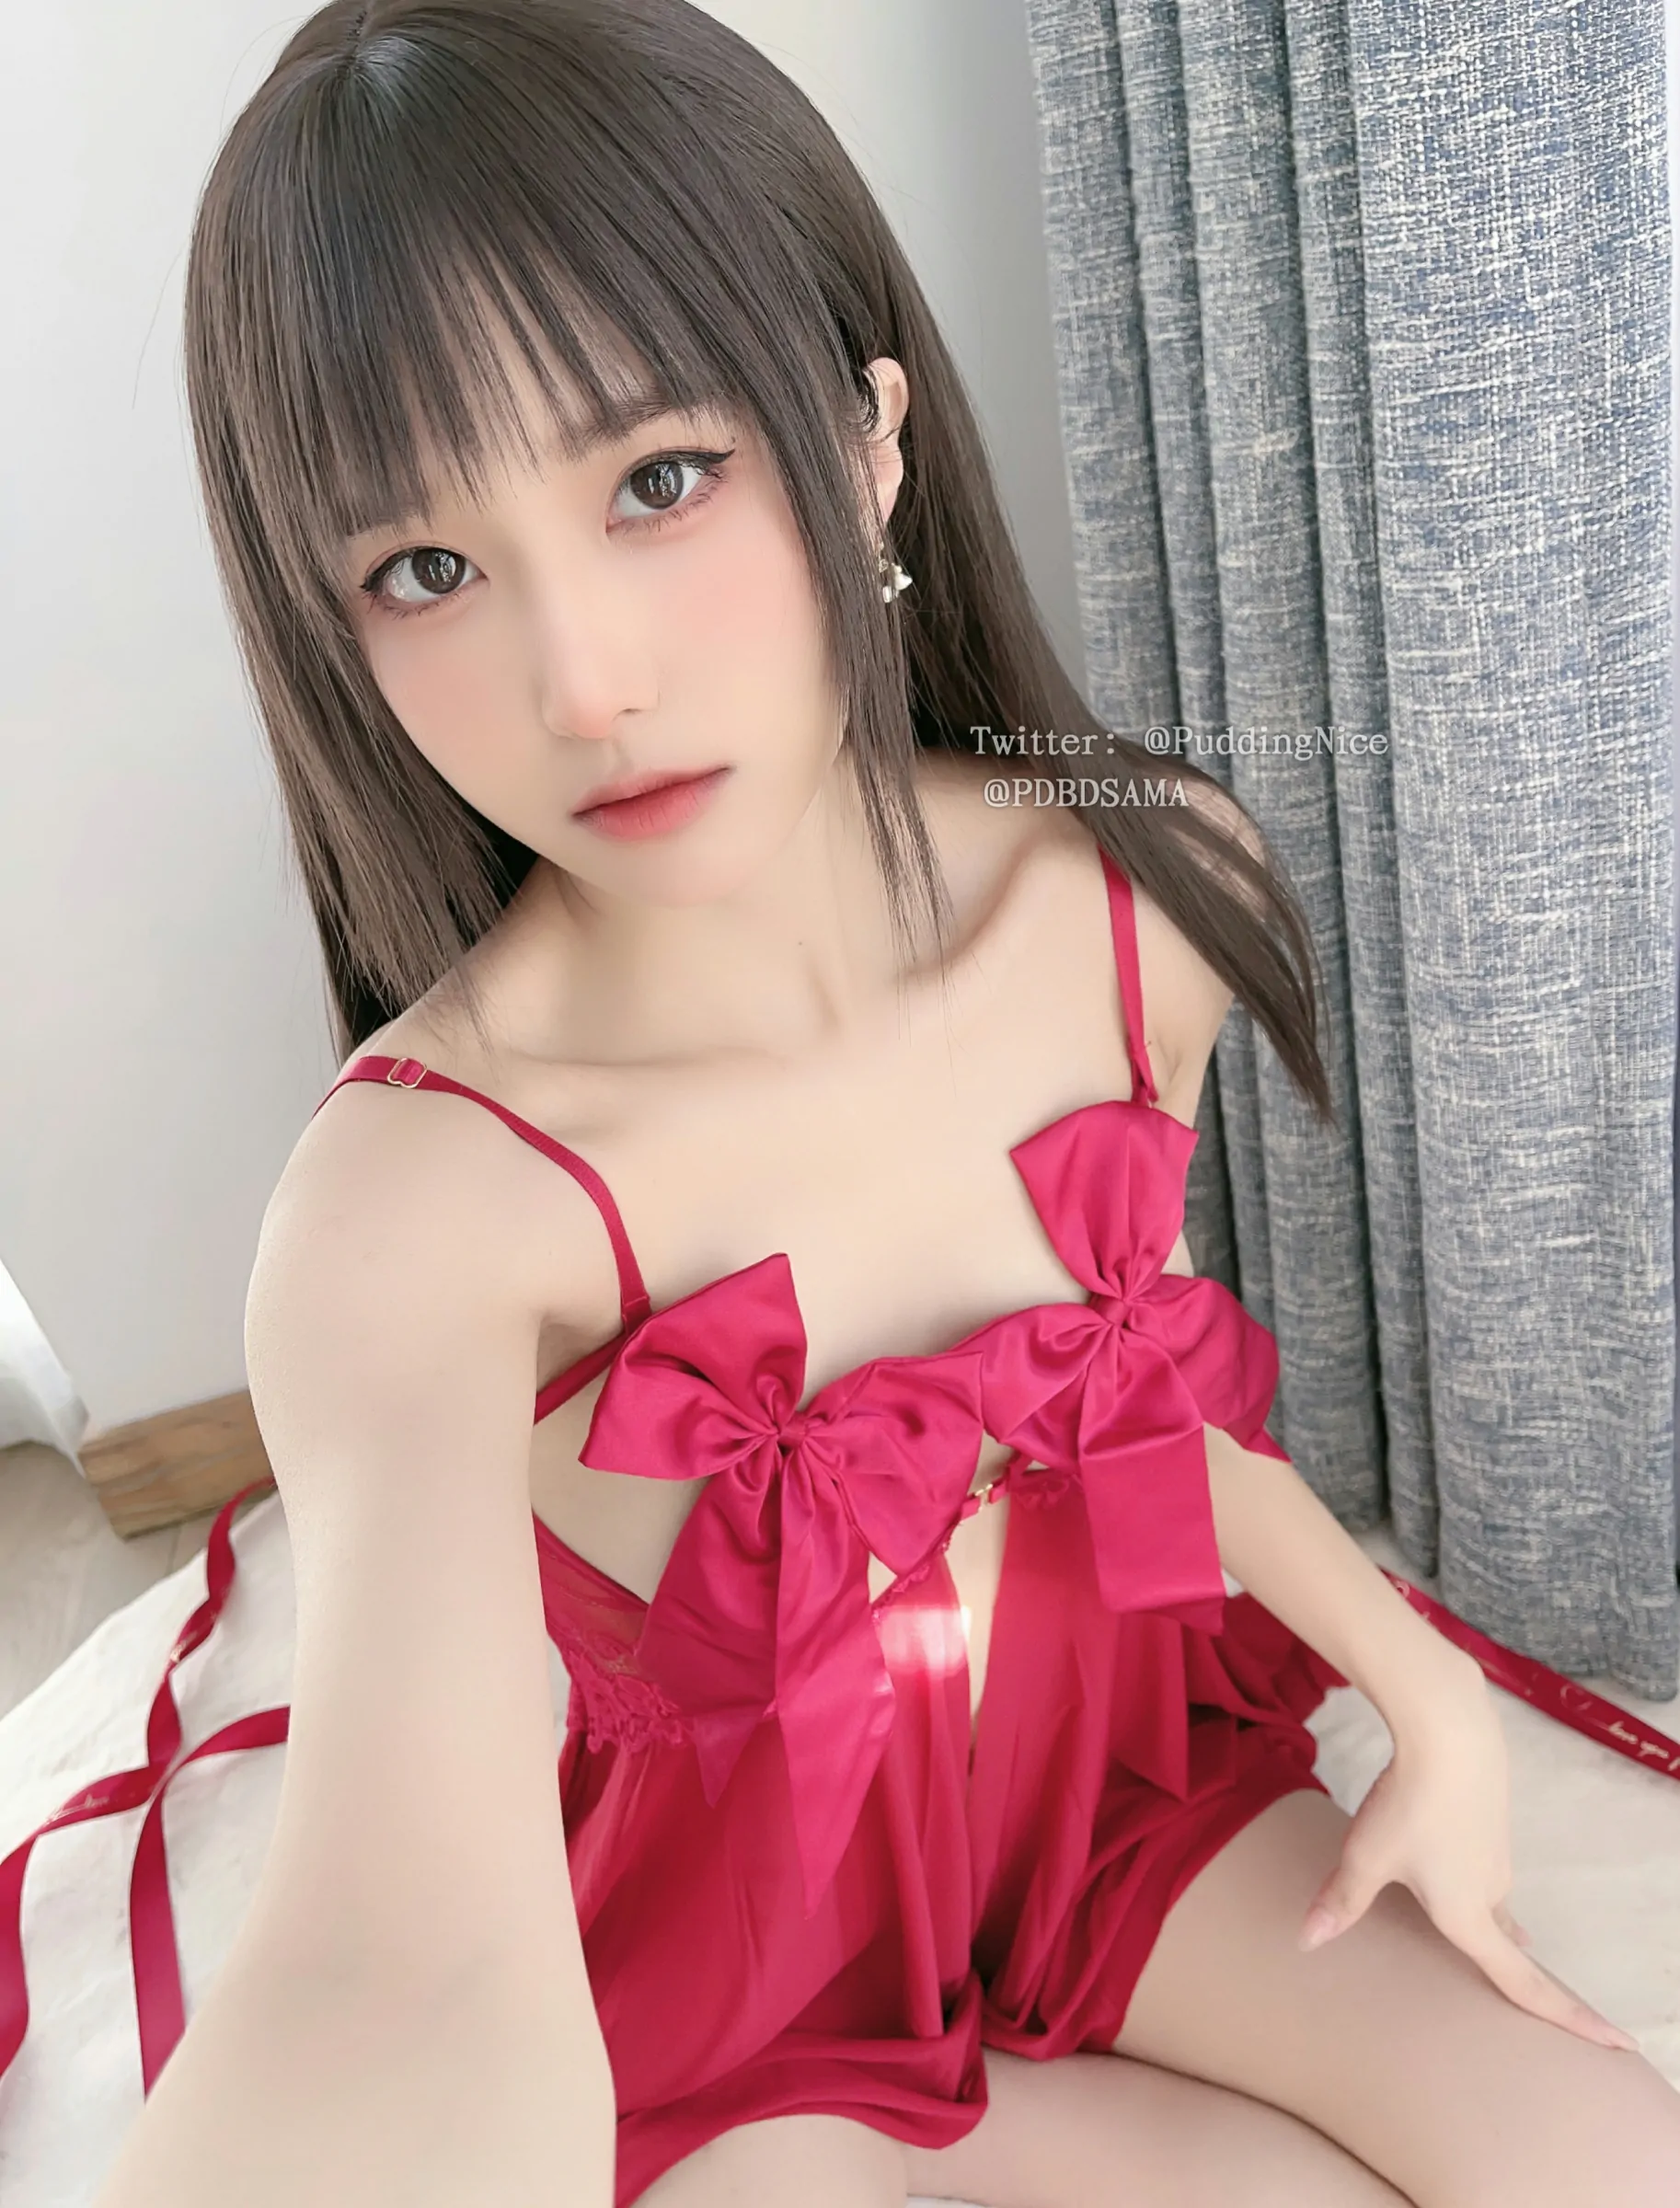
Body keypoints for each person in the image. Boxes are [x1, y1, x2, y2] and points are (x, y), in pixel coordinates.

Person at [40, 3, 1680, 2203]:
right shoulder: (422, 1200)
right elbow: (393, 1952)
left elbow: (1124, 1409)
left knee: (1608, 2164)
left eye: (657, 480)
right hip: (731, 1973)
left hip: (1110, 1801)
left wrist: (1419, 1683)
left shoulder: (1134, 883)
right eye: (425, 569)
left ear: (866, 436)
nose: (586, 683)